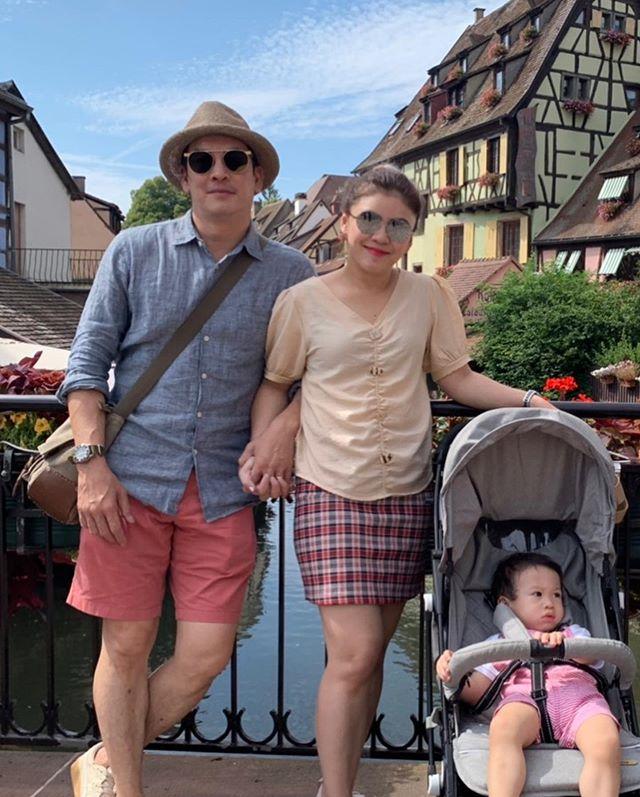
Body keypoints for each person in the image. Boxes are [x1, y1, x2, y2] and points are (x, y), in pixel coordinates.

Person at [239, 164, 554, 797]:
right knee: (354, 654)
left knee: (371, 655)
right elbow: (275, 385)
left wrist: (529, 401)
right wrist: (266, 450)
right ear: (344, 222)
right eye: (369, 219)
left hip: (407, 492)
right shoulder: (302, 303)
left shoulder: (429, 296)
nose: (381, 235)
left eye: (399, 225)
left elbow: (456, 378)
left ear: (413, 234)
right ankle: (335, 793)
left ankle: (342, 781)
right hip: (330, 488)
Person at [59, 101, 314, 797]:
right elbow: (86, 365)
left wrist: (285, 428)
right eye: (202, 160)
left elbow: (318, 372)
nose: (218, 171)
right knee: (126, 647)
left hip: (224, 490)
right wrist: (91, 466)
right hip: (127, 483)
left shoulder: (292, 272)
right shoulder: (134, 250)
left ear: (257, 175)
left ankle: (105, 761)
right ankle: (127, 788)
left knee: (204, 656)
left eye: (235, 159)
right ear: (184, 176)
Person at [436, 552, 621, 797]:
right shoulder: (501, 644)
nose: (550, 603)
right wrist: (452, 670)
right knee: (504, 728)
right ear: (506, 604)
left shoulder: (573, 633)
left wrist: (567, 646)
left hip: (579, 701)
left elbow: (594, 656)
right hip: (524, 702)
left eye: (557, 595)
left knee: (605, 739)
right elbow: (477, 691)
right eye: (538, 594)